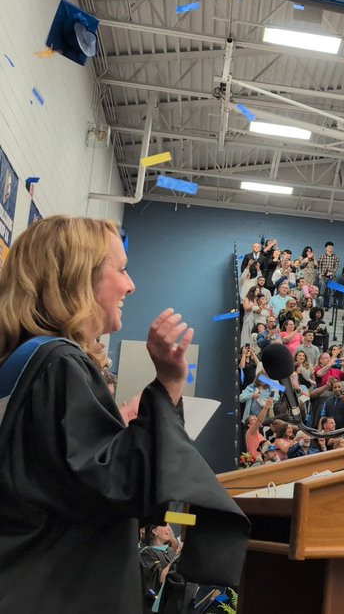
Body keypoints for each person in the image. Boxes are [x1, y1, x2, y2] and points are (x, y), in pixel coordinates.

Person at [0, 216, 248, 613]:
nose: (131, 285)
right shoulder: (57, 362)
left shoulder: (23, 359)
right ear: (79, 276)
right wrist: (167, 385)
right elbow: (121, 490)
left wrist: (127, 432)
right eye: (121, 269)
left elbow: (57, 479)